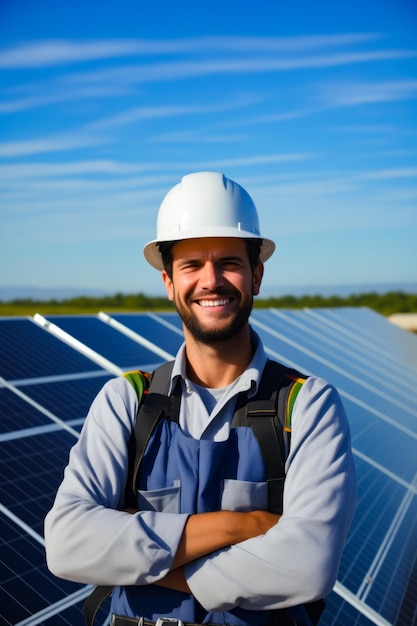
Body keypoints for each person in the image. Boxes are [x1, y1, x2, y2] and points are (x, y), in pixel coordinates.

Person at [44, 171, 356, 626]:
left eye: (229, 262)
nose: (211, 281)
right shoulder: (126, 401)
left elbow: (308, 568)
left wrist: (135, 556)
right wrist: (240, 527)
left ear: (257, 275)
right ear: (169, 282)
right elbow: (67, 543)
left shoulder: (308, 407)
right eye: (191, 265)